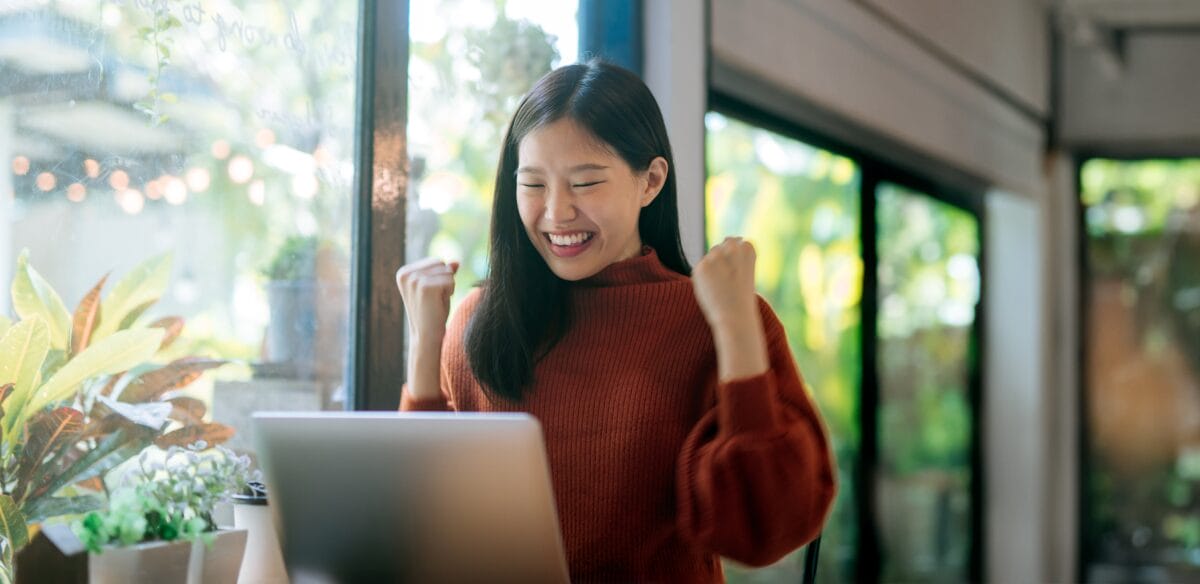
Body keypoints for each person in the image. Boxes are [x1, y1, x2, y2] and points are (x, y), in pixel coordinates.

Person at [396, 60, 835, 583]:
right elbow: (419, 529)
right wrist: (426, 347)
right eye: (533, 184)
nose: (556, 213)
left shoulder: (717, 319)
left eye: (585, 182)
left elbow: (766, 532)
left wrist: (736, 328)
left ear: (650, 181)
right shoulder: (479, 321)